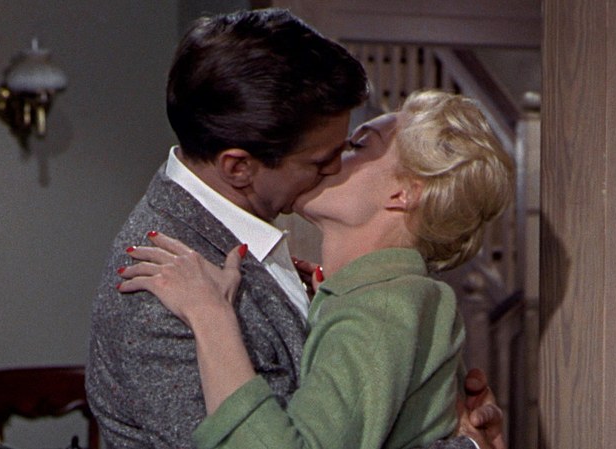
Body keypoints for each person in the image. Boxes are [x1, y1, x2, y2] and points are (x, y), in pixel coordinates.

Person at [87, 8, 502, 449]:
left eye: (352, 147)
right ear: (239, 167)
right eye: (323, 159)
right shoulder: (161, 289)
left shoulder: (369, 293)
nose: (335, 168)